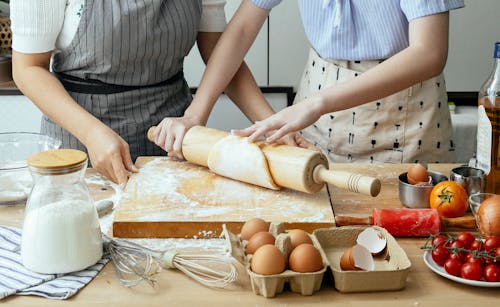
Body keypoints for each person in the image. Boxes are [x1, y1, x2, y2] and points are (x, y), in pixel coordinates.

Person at [10, 0, 305, 185]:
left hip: (172, 139)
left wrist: (275, 126)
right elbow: (27, 68)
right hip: (79, 138)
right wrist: (91, 134)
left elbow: (221, 53)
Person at [187, 0, 465, 164]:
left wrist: (318, 104)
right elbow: (243, 28)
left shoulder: (316, 105)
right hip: (315, 122)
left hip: (405, 122)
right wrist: (194, 115)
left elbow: (429, 53)